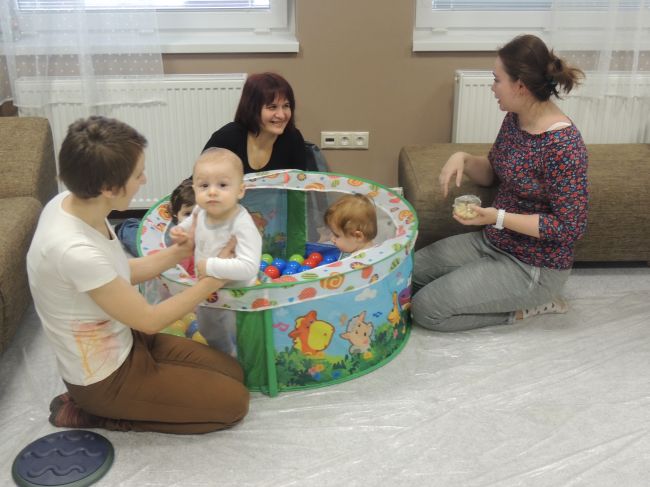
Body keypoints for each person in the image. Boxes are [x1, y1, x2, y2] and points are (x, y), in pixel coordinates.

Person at [27, 116, 249, 434]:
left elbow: (117, 271)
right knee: (234, 404)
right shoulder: (72, 250)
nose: (144, 179)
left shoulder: (70, 203)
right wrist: (214, 279)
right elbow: (149, 319)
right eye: (137, 174)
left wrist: (179, 252)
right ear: (107, 188)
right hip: (105, 379)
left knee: (233, 371)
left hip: (128, 339)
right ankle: (94, 412)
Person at [411, 34, 589, 332]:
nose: (492, 88)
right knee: (410, 273)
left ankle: (531, 307)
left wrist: (498, 217)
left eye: (496, 80)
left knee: (425, 310)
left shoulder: (564, 146)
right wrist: (464, 158)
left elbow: (570, 228)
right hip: (493, 241)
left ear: (520, 86)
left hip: (534, 266)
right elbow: (493, 172)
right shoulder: (514, 119)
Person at [172, 147, 262, 355]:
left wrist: (210, 266)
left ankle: (242, 361)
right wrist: (180, 232)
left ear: (240, 190)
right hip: (207, 290)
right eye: (204, 185)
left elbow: (249, 266)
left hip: (237, 295)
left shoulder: (242, 223)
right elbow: (189, 227)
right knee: (208, 330)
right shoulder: (200, 210)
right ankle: (224, 356)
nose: (212, 191)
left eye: (222, 185)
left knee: (241, 335)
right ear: (195, 189)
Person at [202, 72, 308, 173]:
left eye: (286, 106)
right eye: (272, 107)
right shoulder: (226, 138)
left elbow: (300, 186)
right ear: (252, 109)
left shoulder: (293, 138)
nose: (281, 115)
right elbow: (194, 185)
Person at [323, 193, 377, 257]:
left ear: (358, 236)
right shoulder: (375, 248)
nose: (332, 239)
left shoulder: (357, 261)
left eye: (337, 236)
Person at [169, 177, 196, 276]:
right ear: (176, 214)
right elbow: (179, 276)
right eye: (188, 214)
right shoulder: (181, 243)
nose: (193, 220)